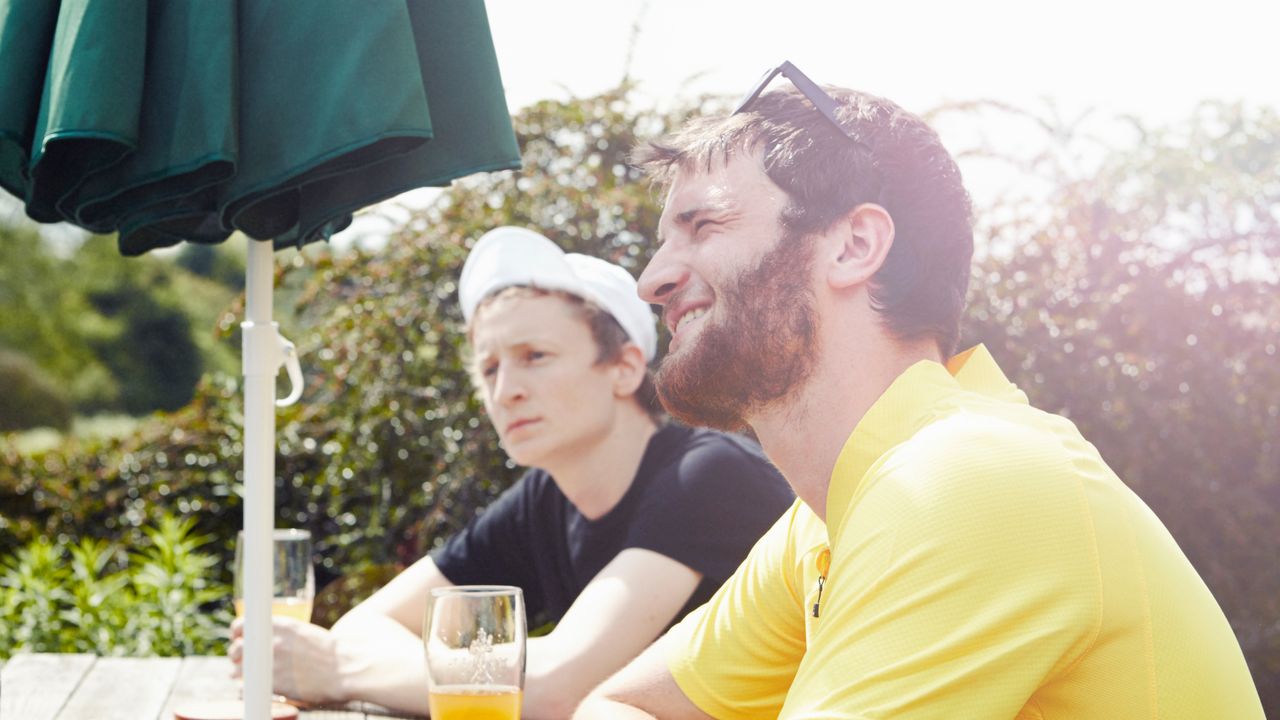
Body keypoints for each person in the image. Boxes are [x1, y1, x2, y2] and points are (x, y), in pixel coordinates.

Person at [575, 63, 1265, 718]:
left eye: (704, 225)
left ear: (854, 246)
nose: (652, 279)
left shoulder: (966, 481)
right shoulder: (821, 527)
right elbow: (616, 706)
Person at [228, 226, 792, 718]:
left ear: (623, 369)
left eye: (535, 357)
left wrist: (342, 673)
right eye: (490, 367)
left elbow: (553, 687)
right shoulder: (545, 496)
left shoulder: (707, 476)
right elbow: (360, 630)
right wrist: (484, 675)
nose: (505, 390)